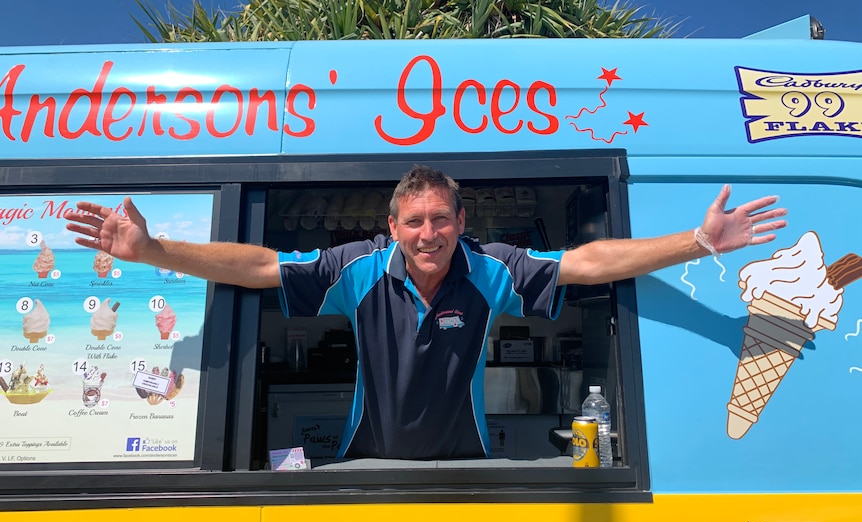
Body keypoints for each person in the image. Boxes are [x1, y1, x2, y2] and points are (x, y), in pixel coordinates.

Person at [64, 166, 787, 460]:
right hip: (365, 468)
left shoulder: (489, 267)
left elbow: (584, 263)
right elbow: (260, 265)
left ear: (461, 220)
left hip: (463, 471)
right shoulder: (357, 268)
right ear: (393, 224)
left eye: (441, 219)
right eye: (413, 222)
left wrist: (695, 242)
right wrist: (156, 247)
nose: (428, 234)